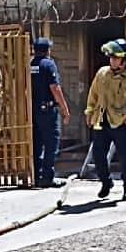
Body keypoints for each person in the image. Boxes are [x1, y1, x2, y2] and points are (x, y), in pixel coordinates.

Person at [84, 38, 126, 201]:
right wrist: (90, 113)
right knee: (98, 155)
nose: (112, 60)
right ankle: (106, 182)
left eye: (115, 57)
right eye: (111, 57)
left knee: (124, 157)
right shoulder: (102, 74)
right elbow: (93, 95)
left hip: (121, 123)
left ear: (124, 61)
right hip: (102, 121)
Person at [31, 37, 71, 188]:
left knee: (37, 143)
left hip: (34, 111)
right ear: (47, 50)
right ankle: (47, 177)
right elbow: (55, 87)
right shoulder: (49, 64)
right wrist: (64, 109)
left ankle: (37, 175)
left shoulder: (31, 65)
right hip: (48, 110)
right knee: (51, 143)